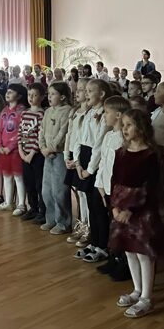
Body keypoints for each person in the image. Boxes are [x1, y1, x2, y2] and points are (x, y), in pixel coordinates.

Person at [110, 109, 162, 319]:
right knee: (129, 250)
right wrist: (114, 207)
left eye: (129, 125)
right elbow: (114, 181)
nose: (124, 129)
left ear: (140, 128)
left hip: (141, 210)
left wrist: (131, 210)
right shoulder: (120, 153)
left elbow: (150, 188)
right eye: (123, 125)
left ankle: (146, 298)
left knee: (142, 252)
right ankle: (137, 290)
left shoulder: (150, 155)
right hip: (121, 208)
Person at [92, 95, 131, 272]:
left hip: (117, 190)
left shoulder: (124, 139)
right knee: (110, 225)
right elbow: (103, 163)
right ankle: (112, 257)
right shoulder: (108, 135)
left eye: (107, 112)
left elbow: (121, 169)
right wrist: (100, 186)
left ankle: (122, 262)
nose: (104, 115)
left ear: (118, 115)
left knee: (120, 227)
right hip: (105, 188)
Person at [74, 79, 112, 256]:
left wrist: (89, 169)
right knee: (90, 205)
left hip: (95, 162)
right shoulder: (89, 112)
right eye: (86, 91)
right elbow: (79, 137)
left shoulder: (104, 115)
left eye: (90, 91)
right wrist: (77, 162)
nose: (86, 94)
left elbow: (98, 144)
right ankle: (94, 242)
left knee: (98, 206)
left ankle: (103, 245)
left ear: (102, 94)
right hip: (84, 158)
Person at [39, 81, 72, 233]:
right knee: (47, 190)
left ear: (63, 97)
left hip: (59, 155)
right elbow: (41, 131)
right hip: (47, 154)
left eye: (53, 94)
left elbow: (63, 133)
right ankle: (50, 219)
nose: (49, 96)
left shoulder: (68, 111)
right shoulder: (47, 112)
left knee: (59, 191)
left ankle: (63, 222)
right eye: (49, 94)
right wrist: (42, 147)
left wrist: (51, 148)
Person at [0, 83, 27, 214]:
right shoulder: (4, 110)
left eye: (11, 92)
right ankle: (8, 202)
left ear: (19, 96)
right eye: (7, 91)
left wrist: (11, 146)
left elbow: (21, 131)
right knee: (6, 175)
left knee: (18, 176)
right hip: (4, 149)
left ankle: (21, 204)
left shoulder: (22, 111)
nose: (7, 94)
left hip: (16, 150)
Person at [65, 78, 90, 247]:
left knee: (85, 194)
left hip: (83, 156)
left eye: (81, 89)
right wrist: (66, 156)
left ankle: (89, 227)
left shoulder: (91, 114)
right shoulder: (74, 112)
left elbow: (83, 139)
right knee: (79, 194)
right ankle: (82, 224)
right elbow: (70, 135)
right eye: (77, 89)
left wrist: (77, 160)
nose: (77, 92)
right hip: (73, 154)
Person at [18, 83, 46, 221]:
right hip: (24, 154)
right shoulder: (24, 113)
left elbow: (40, 136)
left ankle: (42, 211)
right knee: (28, 183)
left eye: (34, 95)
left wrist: (32, 153)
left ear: (41, 97)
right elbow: (20, 132)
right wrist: (21, 151)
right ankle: (33, 208)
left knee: (39, 183)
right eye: (29, 95)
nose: (31, 97)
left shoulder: (41, 114)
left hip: (36, 155)